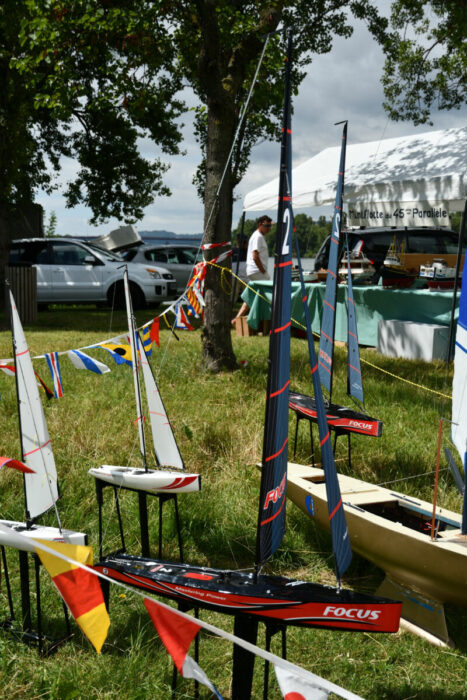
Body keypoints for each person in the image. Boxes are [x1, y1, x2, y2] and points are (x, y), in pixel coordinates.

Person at [232, 215, 272, 323]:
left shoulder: (258, 236)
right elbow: (255, 255)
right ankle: (261, 321)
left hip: (254, 271)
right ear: (259, 224)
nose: (269, 228)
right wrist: (262, 270)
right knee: (266, 296)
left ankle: (236, 319)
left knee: (252, 295)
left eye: (270, 226)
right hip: (257, 271)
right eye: (266, 225)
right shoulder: (258, 236)